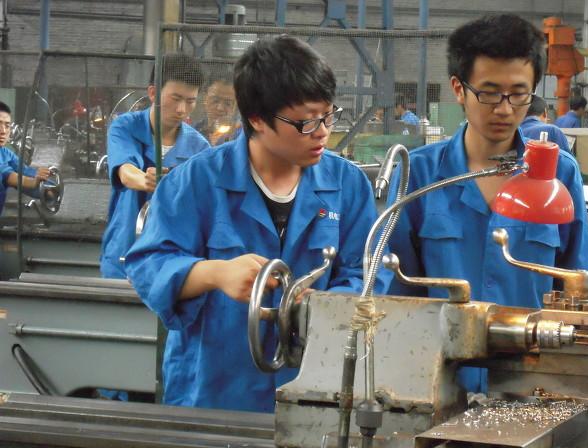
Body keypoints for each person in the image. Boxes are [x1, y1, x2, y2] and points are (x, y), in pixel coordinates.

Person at [125, 36, 390, 412]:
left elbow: (368, 270)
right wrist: (214, 273)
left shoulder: (347, 185)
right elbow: (149, 264)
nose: (322, 131)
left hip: (317, 389)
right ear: (256, 119)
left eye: (329, 115)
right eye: (306, 122)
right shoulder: (196, 182)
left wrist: (329, 303)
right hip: (215, 391)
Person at [387, 14, 588, 394]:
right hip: (437, 384)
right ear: (458, 89)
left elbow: (577, 290)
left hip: (531, 386)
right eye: (489, 92)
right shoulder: (419, 176)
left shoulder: (558, 175)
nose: (504, 109)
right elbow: (396, 294)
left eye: (518, 94)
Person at [100, 53, 209, 279]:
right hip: (123, 253)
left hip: (171, 261)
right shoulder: (124, 127)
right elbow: (125, 171)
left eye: (190, 101)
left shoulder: (199, 148)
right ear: (152, 93)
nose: (181, 109)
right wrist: (146, 180)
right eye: (175, 98)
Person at [0, 101, 52, 215]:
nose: (3, 131)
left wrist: (49, 187)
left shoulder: (6, 154)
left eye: (7, 126)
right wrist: (33, 182)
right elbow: (8, 175)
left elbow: (25, 171)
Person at [195, 73, 241, 146]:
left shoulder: (241, 136)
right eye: (215, 100)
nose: (220, 108)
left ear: (235, 106)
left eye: (228, 103)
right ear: (205, 98)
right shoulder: (194, 132)